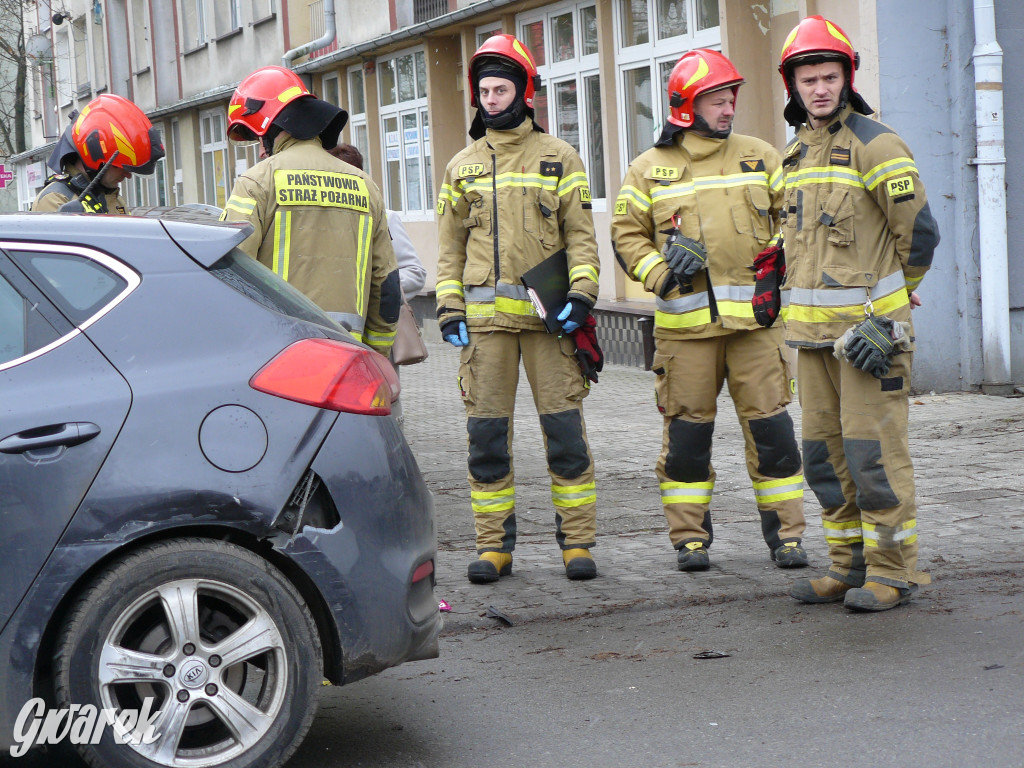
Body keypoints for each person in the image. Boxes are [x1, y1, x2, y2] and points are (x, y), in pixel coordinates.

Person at [610, 49, 807, 574]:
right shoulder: (648, 169)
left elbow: (794, 219)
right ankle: (690, 539)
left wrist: (777, 262)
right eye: (716, 101)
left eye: (730, 99)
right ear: (684, 107)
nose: (727, 109)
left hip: (756, 329)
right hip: (685, 334)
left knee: (774, 436)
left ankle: (787, 537)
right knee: (688, 441)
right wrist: (662, 273)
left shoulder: (761, 155)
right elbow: (626, 236)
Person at [771, 16, 940, 611]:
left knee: (875, 459)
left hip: (870, 339)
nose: (819, 88)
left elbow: (918, 236)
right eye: (808, 78)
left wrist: (889, 317)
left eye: (830, 75)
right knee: (824, 460)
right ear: (792, 86)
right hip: (812, 341)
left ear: (848, 78)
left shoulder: (877, 143)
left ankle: (893, 573)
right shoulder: (792, 154)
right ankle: (846, 568)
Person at [436, 34, 601, 583]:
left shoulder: (560, 158)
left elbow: (582, 238)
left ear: (524, 92)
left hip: (549, 326)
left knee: (566, 437)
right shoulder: (461, 166)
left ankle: (577, 543)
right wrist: (449, 307)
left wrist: (583, 294)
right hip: (485, 329)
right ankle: (493, 547)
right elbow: (449, 249)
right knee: (486, 442)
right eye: (483, 90)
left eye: (501, 88)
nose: (490, 99)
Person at [221, 66, 400, 356]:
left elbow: (231, 275)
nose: (259, 148)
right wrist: (375, 354)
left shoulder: (256, 182)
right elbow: (387, 285)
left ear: (268, 128)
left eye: (257, 137)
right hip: (349, 358)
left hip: (278, 357)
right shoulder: (365, 185)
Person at [32, 94, 165, 214]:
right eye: (121, 167)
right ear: (95, 158)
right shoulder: (56, 200)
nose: (128, 175)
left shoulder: (113, 199)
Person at [328, 143, 427, 298]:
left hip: (376, 316)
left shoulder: (386, 217)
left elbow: (415, 273)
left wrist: (378, 287)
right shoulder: (321, 220)